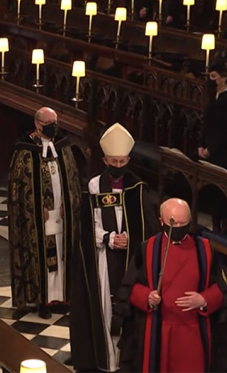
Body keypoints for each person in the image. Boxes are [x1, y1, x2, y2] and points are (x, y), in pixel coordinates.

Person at [70, 123, 160, 372]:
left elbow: (148, 228)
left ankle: (127, 362)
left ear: (128, 159)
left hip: (131, 261)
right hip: (102, 259)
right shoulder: (94, 186)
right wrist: (109, 238)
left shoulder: (138, 188)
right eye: (113, 161)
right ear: (104, 159)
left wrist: (131, 240)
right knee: (104, 309)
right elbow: (88, 227)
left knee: (128, 308)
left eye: (122, 161)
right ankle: (106, 361)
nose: (118, 166)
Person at [112, 198, 227, 373]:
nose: (178, 228)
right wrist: (147, 297)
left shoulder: (205, 249)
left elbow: (222, 289)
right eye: (173, 224)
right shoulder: (147, 249)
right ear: (161, 221)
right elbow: (129, 287)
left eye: (183, 224)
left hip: (194, 334)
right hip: (158, 331)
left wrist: (204, 299)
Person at [8, 107, 82, 319]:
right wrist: (38, 209)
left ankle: (60, 297)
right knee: (43, 257)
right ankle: (42, 300)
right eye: (50, 122)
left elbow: (73, 180)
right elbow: (18, 188)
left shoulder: (63, 147)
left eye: (56, 121)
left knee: (60, 255)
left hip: (62, 214)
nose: (54, 126)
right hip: (39, 219)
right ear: (38, 124)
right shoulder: (25, 149)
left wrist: (67, 206)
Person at [198, 58, 227, 172]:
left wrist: (211, 149)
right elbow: (206, 123)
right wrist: (201, 145)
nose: (210, 80)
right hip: (207, 147)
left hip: (221, 152)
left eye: (213, 76)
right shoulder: (213, 96)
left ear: (223, 78)